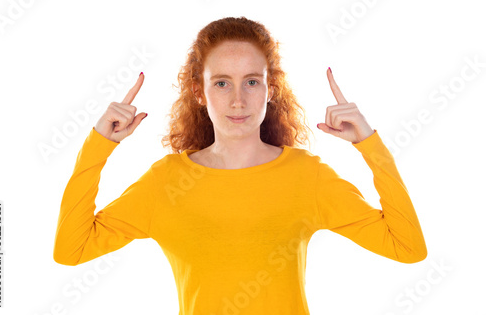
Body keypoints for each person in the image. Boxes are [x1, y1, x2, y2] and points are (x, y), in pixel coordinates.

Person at [53, 16, 427, 314]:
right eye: (221, 83)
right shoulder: (166, 182)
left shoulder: (306, 176)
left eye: (251, 82)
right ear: (199, 92)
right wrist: (99, 145)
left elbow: (407, 247)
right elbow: (71, 250)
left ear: (270, 89)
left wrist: (369, 144)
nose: (238, 101)